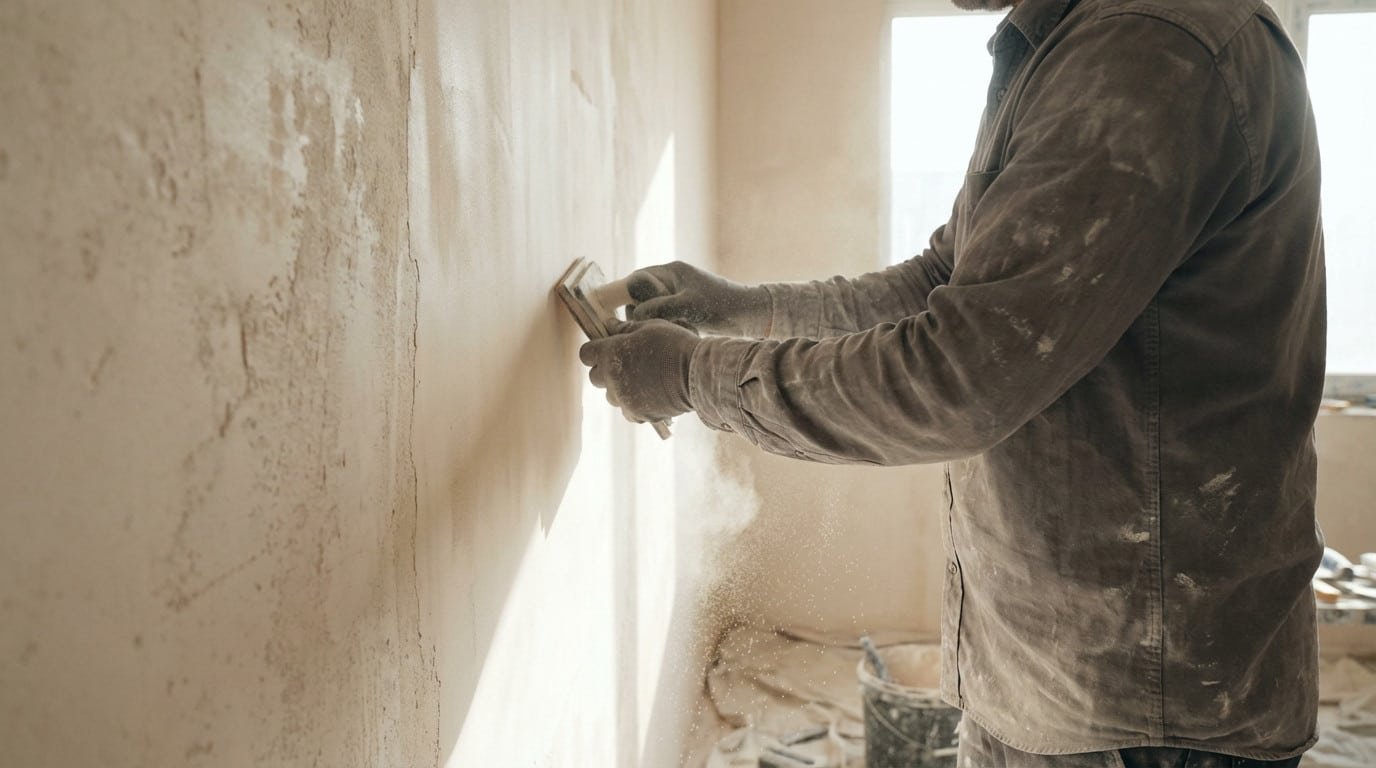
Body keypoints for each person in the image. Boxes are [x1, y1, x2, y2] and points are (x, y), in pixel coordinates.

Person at [578, 0, 1325, 764]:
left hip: (1137, 714)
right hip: (1070, 679)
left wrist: (693, 375)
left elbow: (960, 379)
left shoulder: (1146, 49)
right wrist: (747, 311)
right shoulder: (1074, 43)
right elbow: (948, 279)